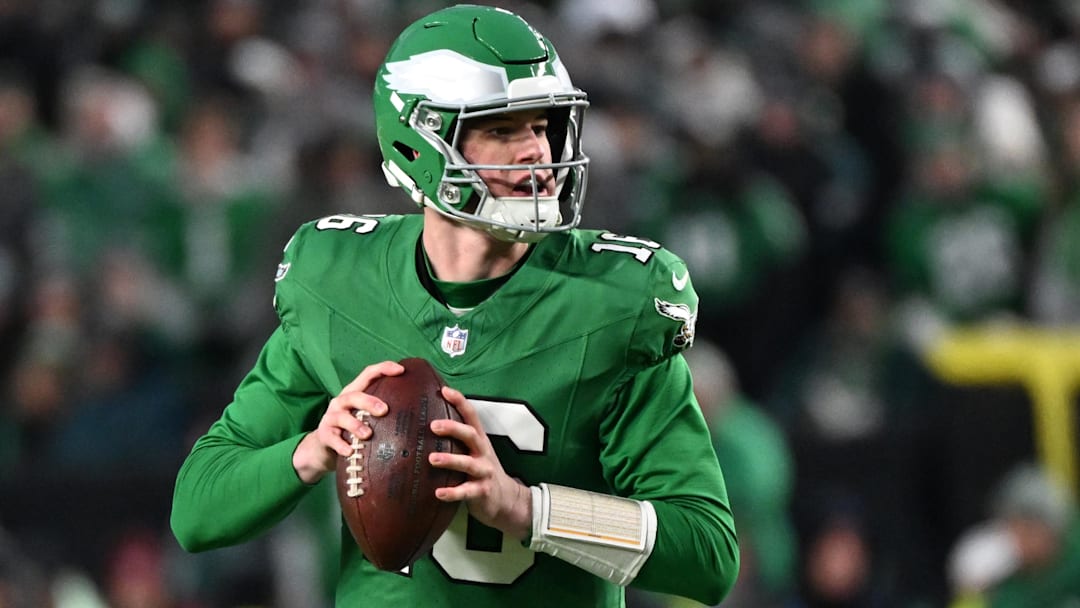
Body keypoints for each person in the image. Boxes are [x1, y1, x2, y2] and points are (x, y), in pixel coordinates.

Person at [170, 5, 739, 607]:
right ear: (418, 145)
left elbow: (708, 554)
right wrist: (309, 450)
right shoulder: (338, 285)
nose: (536, 154)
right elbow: (197, 511)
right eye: (501, 129)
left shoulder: (611, 304)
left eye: (542, 126)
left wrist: (526, 507)